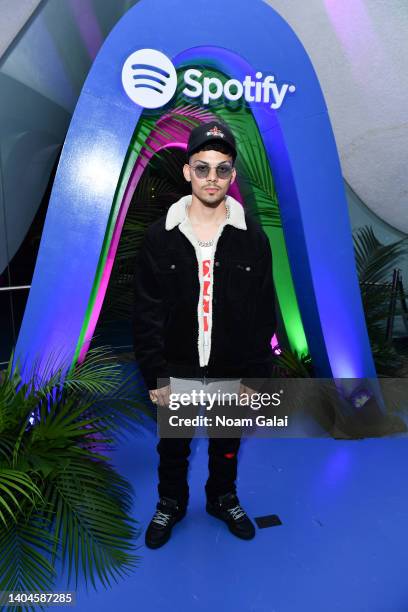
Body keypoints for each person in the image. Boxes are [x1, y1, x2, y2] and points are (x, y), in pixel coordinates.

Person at [133, 120, 277, 549]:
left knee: (226, 444)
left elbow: (263, 312)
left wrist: (256, 376)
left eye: (222, 168)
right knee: (172, 448)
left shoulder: (253, 239)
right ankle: (171, 503)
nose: (211, 178)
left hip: (232, 363)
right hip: (176, 363)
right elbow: (146, 312)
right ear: (187, 171)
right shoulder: (160, 238)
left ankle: (222, 498)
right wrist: (154, 374)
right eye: (202, 168)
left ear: (232, 175)